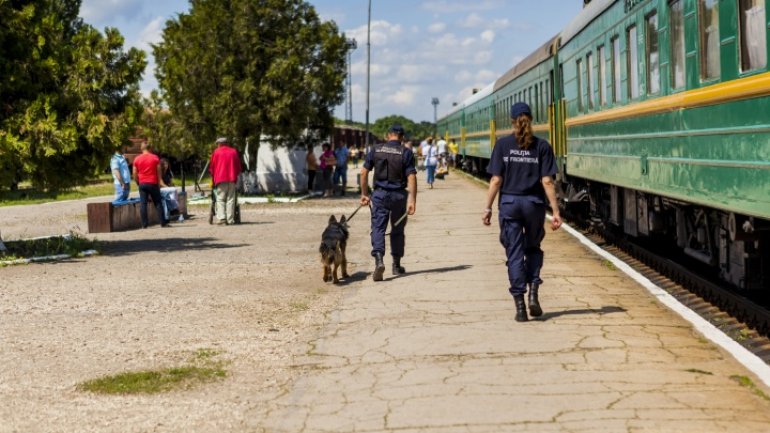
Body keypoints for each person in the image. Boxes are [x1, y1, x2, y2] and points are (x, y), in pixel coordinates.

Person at [482, 102, 563, 322]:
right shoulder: (542, 146)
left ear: (511, 120)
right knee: (534, 248)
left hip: (509, 204)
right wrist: (555, 211)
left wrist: (488, 207)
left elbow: (496, 180)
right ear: (532, 119)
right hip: (534, 205)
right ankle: (534, 292)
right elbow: (547, 181)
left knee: (515, 253)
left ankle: (520, 307)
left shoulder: (502, 145)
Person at [360, 124, 417, 281]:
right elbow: (411, 176)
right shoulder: (406, 152)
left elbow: (363, 172)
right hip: (399, 196)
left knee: (378, 228)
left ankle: (379, 260)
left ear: (388, 135)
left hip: (379, 195)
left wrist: (365, 194)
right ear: (402, 137)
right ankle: (396, 265)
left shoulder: (376, 149)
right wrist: (412, 200)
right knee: (397, 230)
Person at [132, 141, 169, 228]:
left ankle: (144, 224)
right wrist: (159, 182)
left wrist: (138, 182)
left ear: (141, 148)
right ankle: (162, 223)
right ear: (150, 148)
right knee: (158, 203)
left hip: (142, 183)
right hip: (153, 183)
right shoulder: (155, 158)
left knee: (143, 203)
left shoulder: (137, 159)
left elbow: (134, 173)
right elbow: (159, 173)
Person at [209, 137, 242, 225]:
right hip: (231, 178)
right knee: (231, 199)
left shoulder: (216, 152)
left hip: (220, 179)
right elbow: (238, 167)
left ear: (219, 144)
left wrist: (213, 177)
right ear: (227, 143)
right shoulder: (233, 151)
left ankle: (222, 218)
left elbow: (212, 167)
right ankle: (230, 220)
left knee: (220, 199)